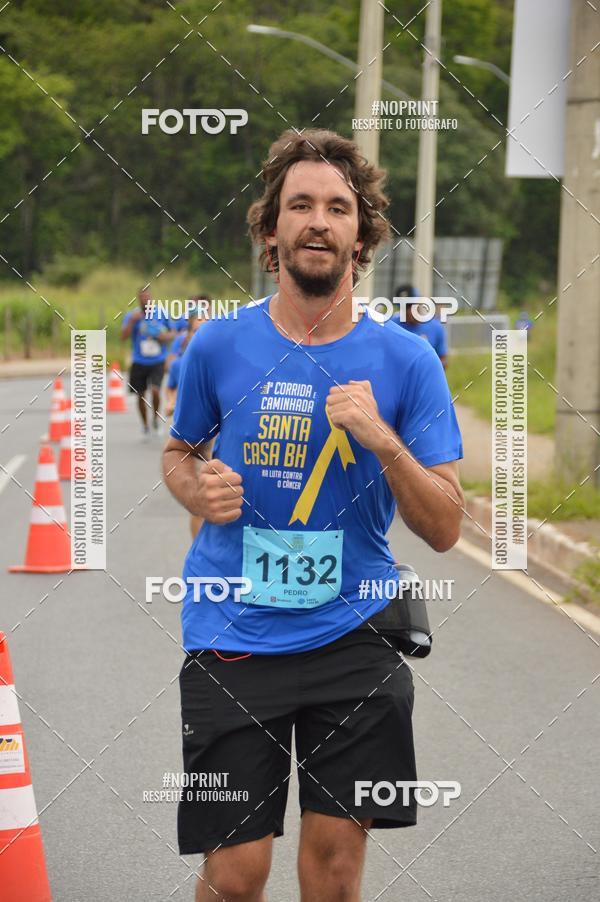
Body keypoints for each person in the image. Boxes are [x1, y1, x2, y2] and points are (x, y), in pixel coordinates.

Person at [162, 128, 464, 902]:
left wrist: (382, 440)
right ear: (271, 231)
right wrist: (196, 490)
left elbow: (445, 526)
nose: (319, 221)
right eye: (300, 205)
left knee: (333, 875)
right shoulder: (217, 345)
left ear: (362, 236)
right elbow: (178, 452)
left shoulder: (407, 360)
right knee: (235, 876)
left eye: (338, 207)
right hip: (233, 633)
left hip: (356, 638)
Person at [121, 288, 173, 438]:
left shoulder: (161, 313)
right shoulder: (132, 316)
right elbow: (123, 337)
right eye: (142, 297)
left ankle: (156, 418)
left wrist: (163, 337)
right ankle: (145, 425)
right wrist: (132, 321)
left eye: (147, 297)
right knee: (140, 395)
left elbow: (173, 333)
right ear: (138, 299)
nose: (145, 300)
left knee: (156, 390)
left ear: (151, 298)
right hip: (139, 361)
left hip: (158, 360)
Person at [391, 284, 449, 368]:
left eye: (412, 305)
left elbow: (443, 360)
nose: (410, 311)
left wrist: (425, 365)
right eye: (406, 307)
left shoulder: (435, 327)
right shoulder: (392, 327)